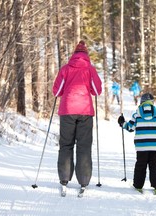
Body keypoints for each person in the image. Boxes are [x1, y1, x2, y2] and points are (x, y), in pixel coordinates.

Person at [52, 40, 102, 195]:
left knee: (66, 145)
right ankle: (84, 180)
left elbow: (57, 90)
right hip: (85, 111)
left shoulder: (65, 69)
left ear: (74, 54)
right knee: (84, 146)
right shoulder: (90, 69)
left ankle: (64, 179)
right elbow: (96, 90)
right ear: (86, 55)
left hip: (67, 110)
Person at [117, 93, 156, 194]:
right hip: (155, 146)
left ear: (141, 102)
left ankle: (138, 185)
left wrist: (122, 123)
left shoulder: (137, 114)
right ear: (152, 102)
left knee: (140, 165)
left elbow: (130, 127)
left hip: (141, 146)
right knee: (155, 165)